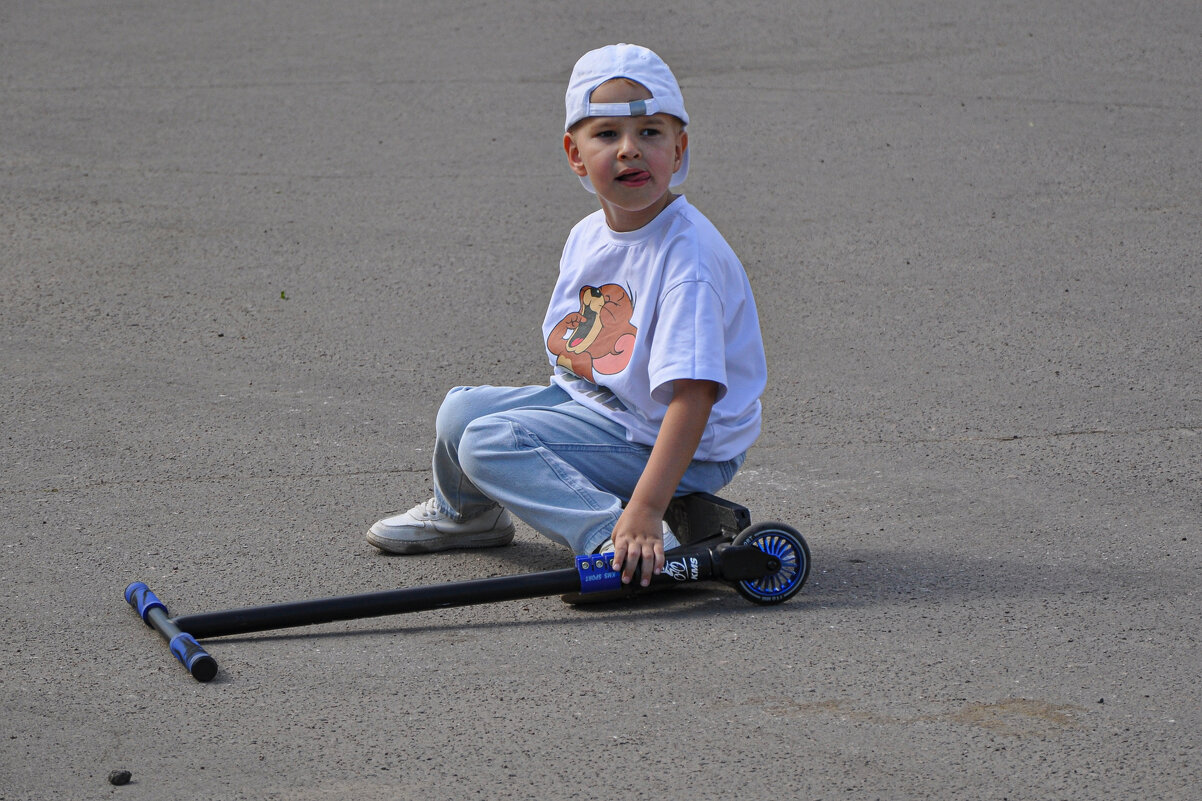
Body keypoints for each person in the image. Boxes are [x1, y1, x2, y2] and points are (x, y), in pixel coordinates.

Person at [367, 43, 766, 588]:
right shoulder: (588, 235)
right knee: (460, 413)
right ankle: (470, 517)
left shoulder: (687, 260)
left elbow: (693, 397)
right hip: (606, 411)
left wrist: (646, 509)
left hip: (677, 444)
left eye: (651, 133)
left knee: (489, 444)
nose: (629, 150)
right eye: (606, 135)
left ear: (679, 149)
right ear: (575, 154)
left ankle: (621, 541)